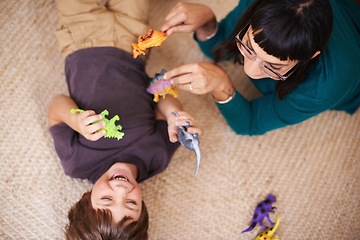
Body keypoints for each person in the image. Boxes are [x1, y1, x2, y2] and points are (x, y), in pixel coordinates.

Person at [48, 0, 200, 239]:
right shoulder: (156, 156)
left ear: (86, 198)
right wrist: (173, 115)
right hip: (134, 42)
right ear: (144, 209)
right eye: (131, 204)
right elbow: (158, 90)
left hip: (81, 35)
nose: (121, 189)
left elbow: (55, 107)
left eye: (107, 199)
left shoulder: (76, 162)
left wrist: (76, 121)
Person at [160, 0, 360, 135]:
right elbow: (219, 46)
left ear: (310, 57)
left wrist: (221, 84)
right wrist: (207, 22)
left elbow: (250, 123)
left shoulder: (329, 84)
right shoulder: (260, 5)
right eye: (248, 46)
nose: (250, 71)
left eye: (273, 66)